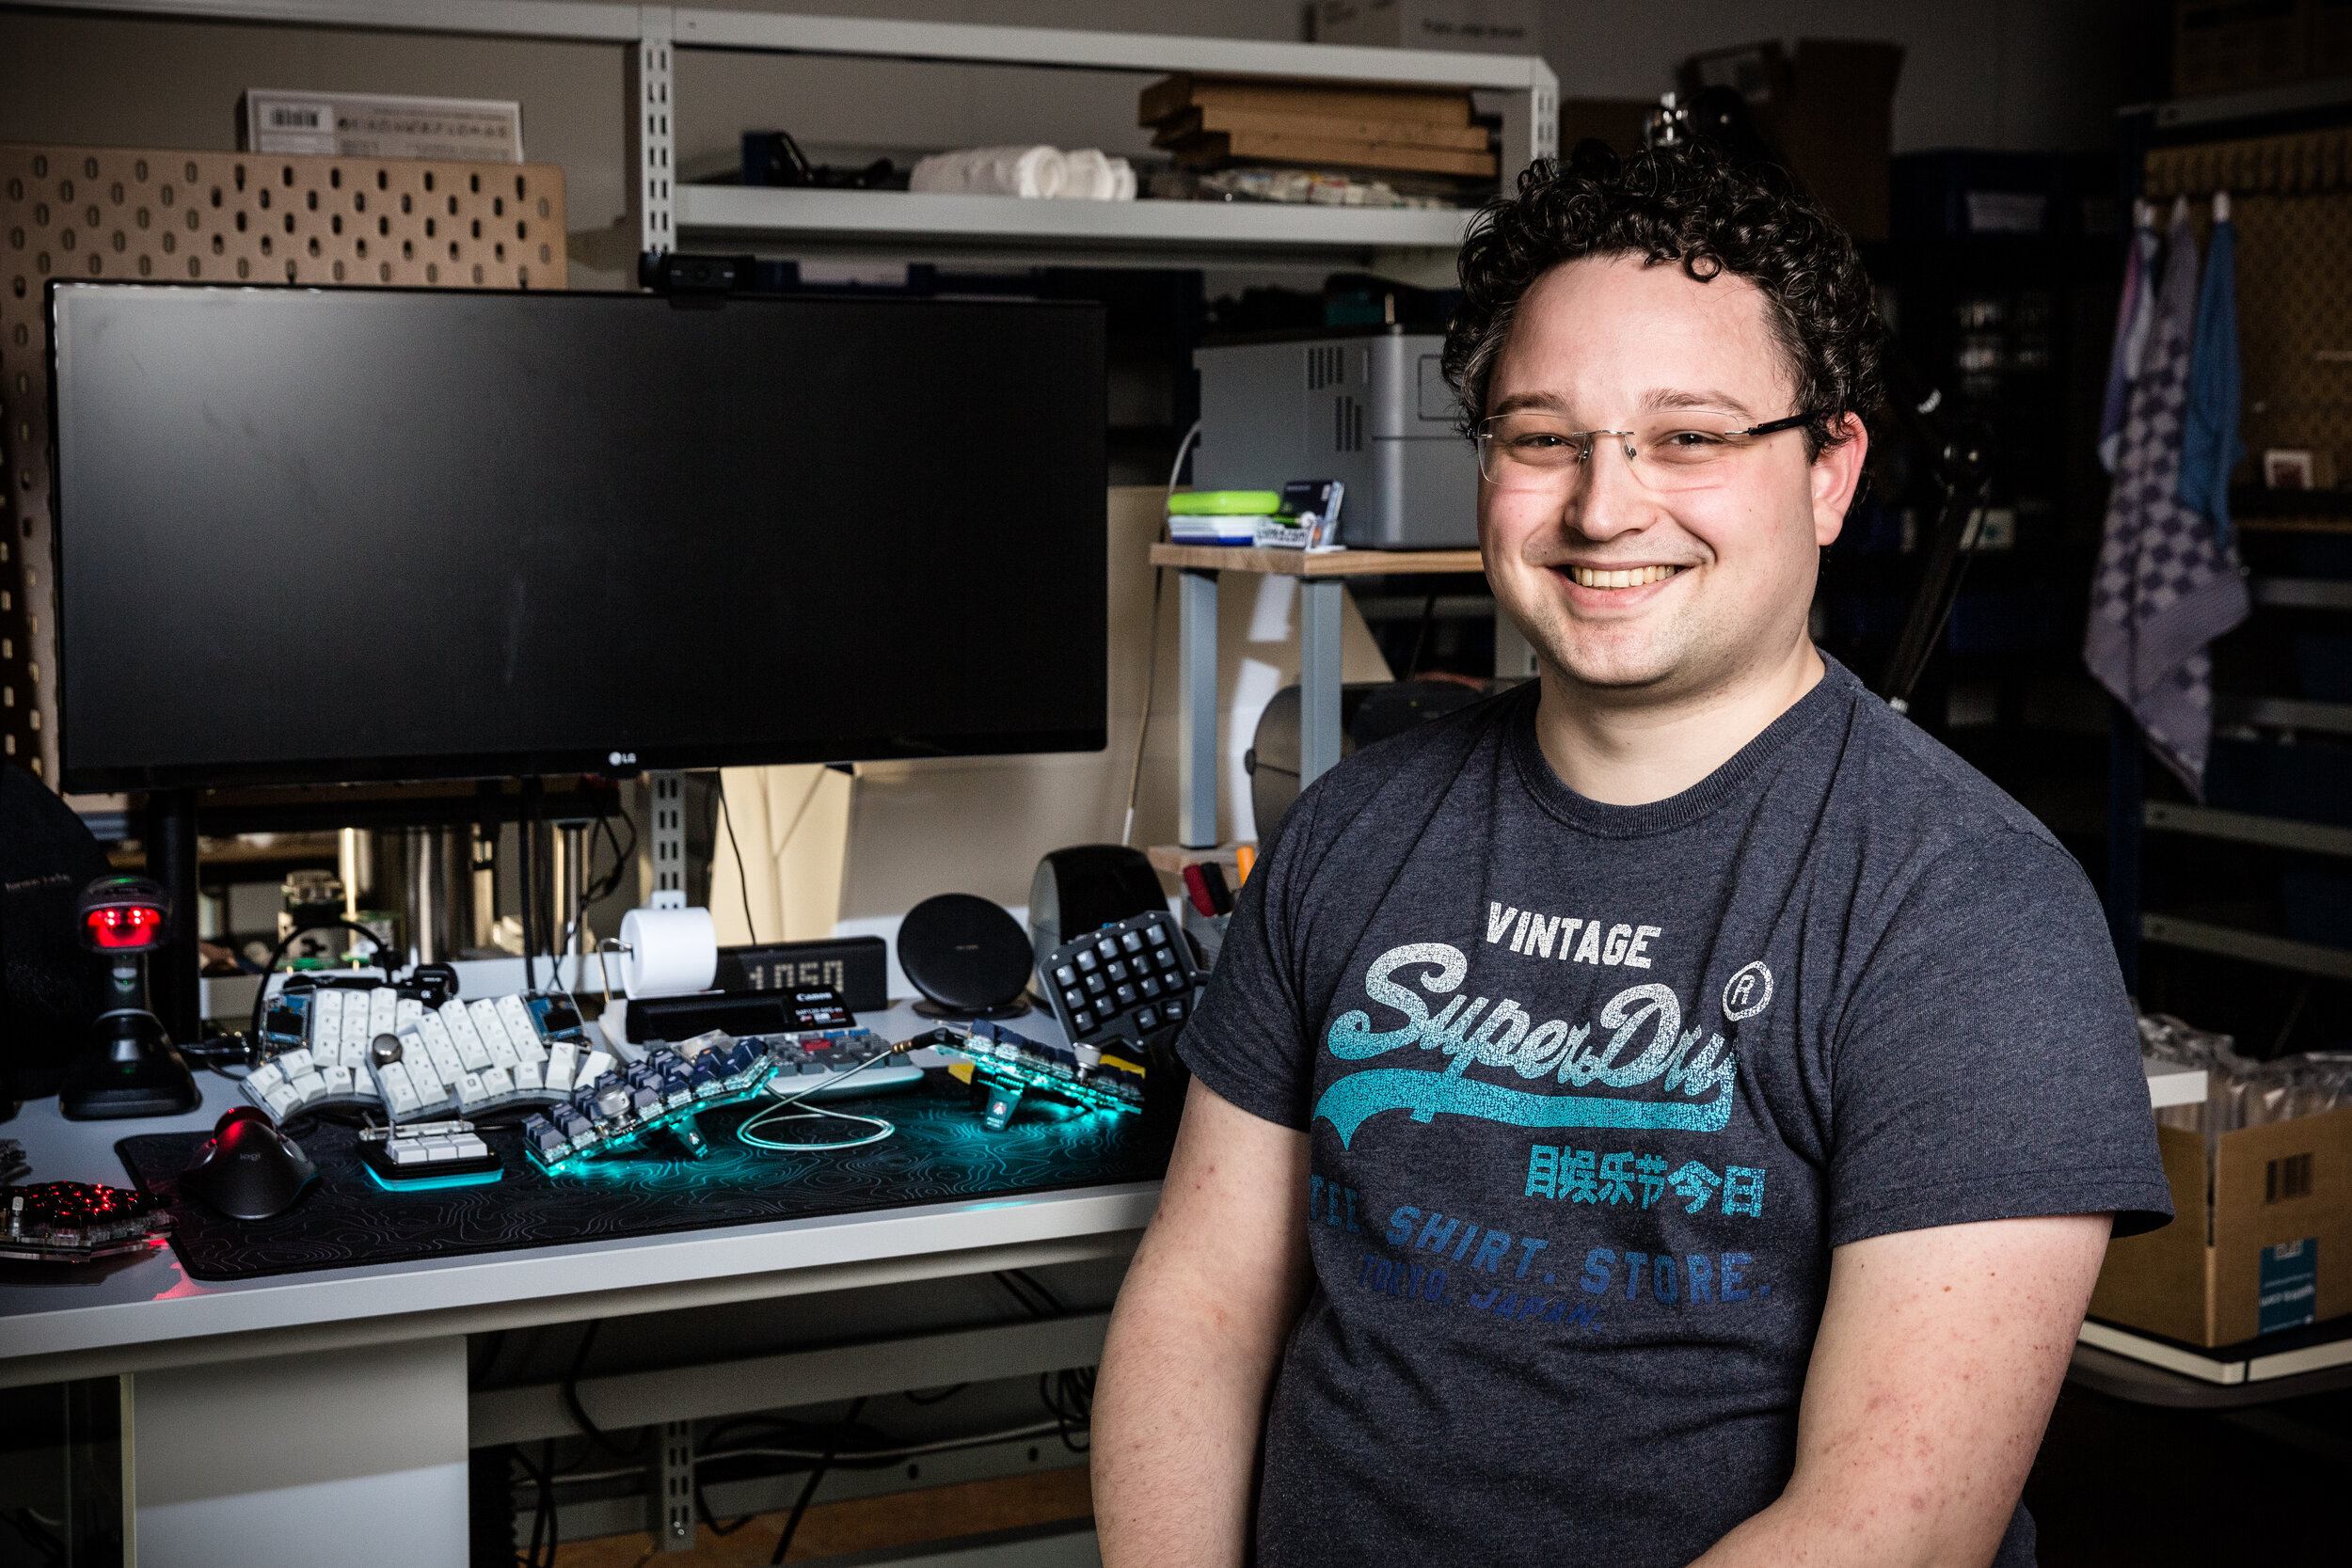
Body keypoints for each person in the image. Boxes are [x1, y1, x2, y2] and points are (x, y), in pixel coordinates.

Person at [1092, 140, 2171, 1568]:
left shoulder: (1969, 906)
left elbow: (1883, 1532)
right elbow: (1201, 1311)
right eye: (1544, 436)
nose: (1605, 509)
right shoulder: (1354, 829)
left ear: (1831, 470)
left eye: (1691, 437)